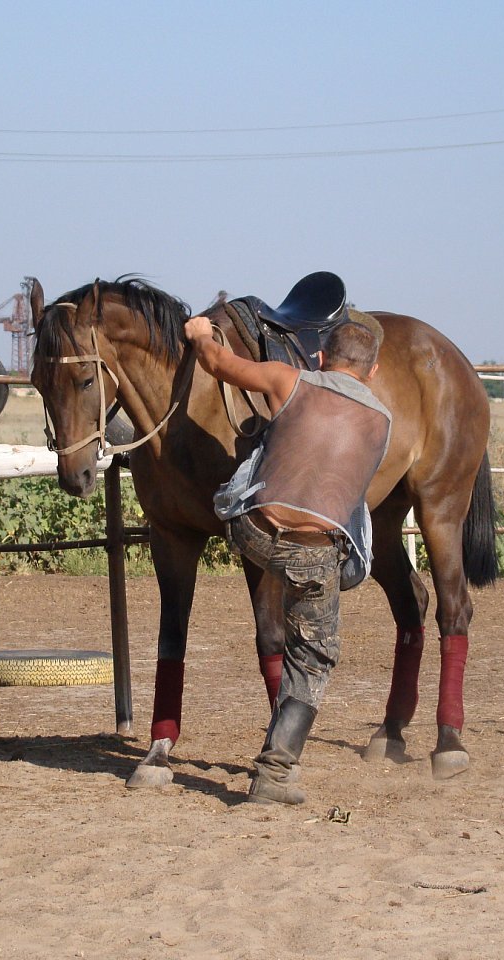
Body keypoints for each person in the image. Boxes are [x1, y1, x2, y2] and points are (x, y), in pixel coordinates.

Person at [182, 311, 391, 805]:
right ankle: (274, 773)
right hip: (314, 556)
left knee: (262, 439)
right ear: (373, 372)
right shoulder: (382, 420)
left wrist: (200, 334)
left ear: (320, 357)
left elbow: (217, 361)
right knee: (314, 654)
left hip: (251, 530)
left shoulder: (288, 379)